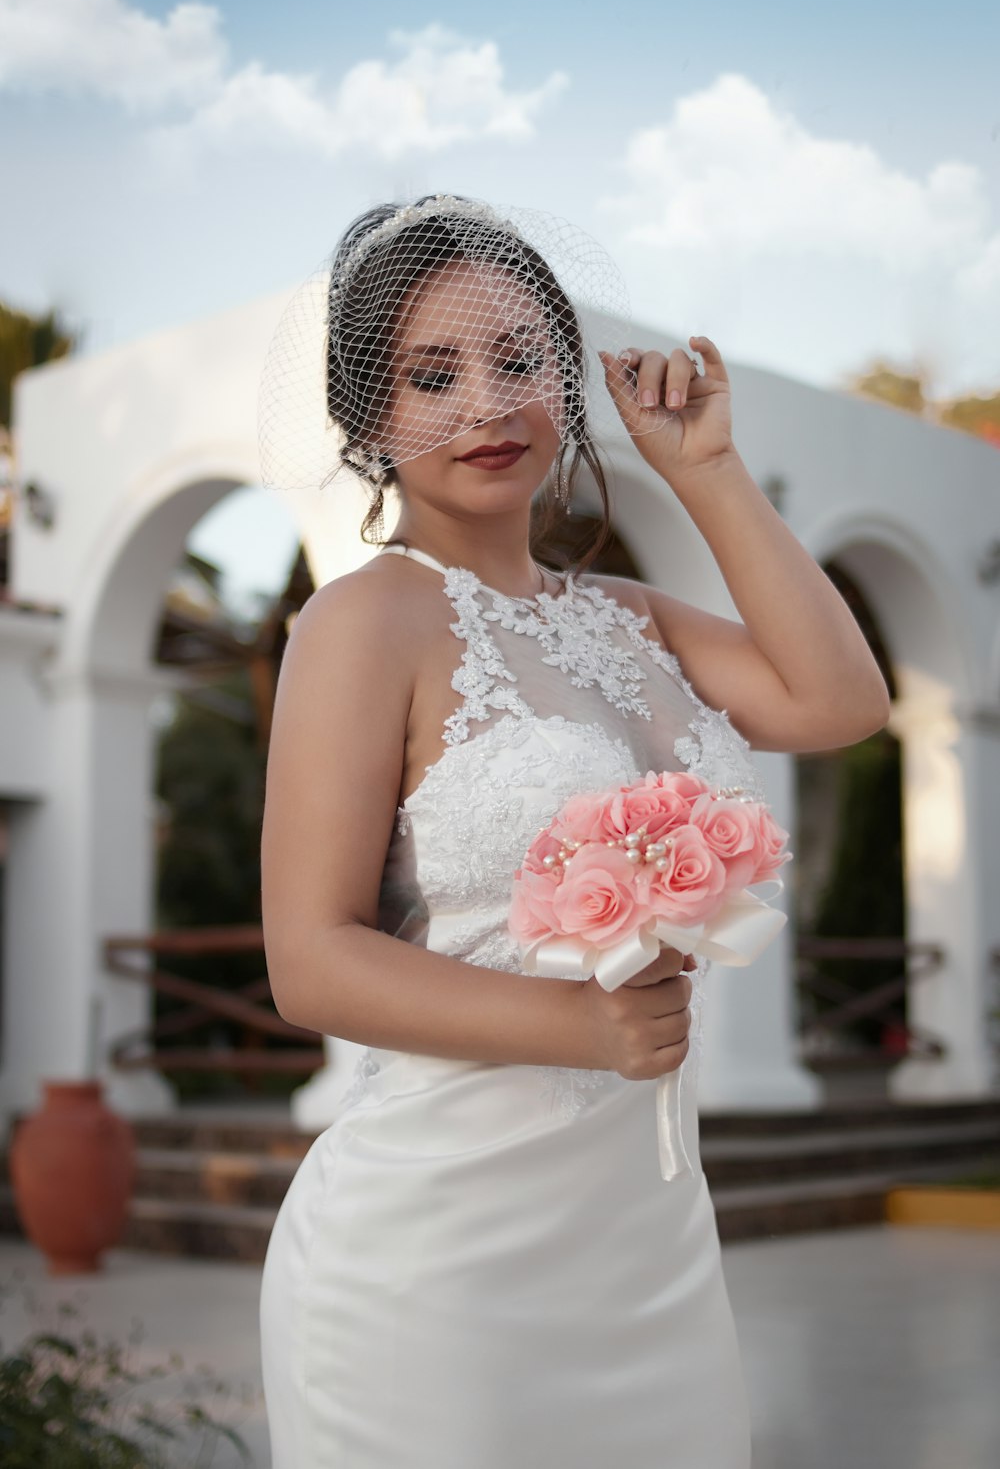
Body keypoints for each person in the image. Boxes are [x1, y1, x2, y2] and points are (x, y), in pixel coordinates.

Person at [257, 193, 890, 1467]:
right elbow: (309, 960)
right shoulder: (360, 623)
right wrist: (580, 1026)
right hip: (437, 1262)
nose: (486, 404)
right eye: (431, 375)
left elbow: (842, 701)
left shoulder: (632, 620)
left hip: (647, 1247)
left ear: (569, 376)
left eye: (517, 359)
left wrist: (705, 472)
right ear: (368, 415)